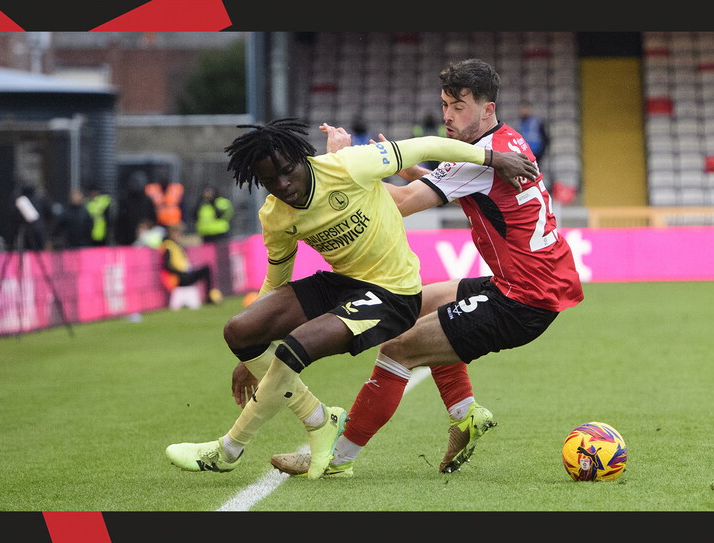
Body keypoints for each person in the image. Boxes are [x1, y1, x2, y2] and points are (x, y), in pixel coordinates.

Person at [164, 117, 538, 480]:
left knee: (296, 347)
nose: (282, 185)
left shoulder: (350, 165)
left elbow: (427, 144)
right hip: (345, 283)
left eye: (287, 172)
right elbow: (277, 280)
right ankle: (320, 419)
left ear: (303, 158)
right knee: (240, 330)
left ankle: (229, 448)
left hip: (393, 292)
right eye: (269, 181)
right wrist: (255, 343)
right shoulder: (276, 215)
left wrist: (494, 158)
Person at [267, 58, 584, 479]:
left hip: (522, 299)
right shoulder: (506, 142)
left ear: (487, 109)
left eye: (459, 107)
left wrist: (344, 167)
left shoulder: (477, 161)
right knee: (414, 304)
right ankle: (466, 414)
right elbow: (455, 182)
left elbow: (398, 205)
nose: (448, 115)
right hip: (527, 282)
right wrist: (407, 168)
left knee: (398, 347)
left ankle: (337, 459)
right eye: (445, 105)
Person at [159, 221, 223, 304]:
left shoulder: (175, 245)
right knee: (206, 270)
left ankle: (210, 294)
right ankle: (209, 296)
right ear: (172, 233)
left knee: (205, 269)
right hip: (178, 278)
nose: (179, 236)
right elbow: (167, 266)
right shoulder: (168, 247)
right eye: (178, 233)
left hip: (183, 274)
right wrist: (181, 273)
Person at [115, 171, 157, 246]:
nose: (137, 185)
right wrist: (119, 238)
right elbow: (120, 220)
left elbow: (152, 219)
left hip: (143, 238)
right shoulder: (125, 199)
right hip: (126, 238)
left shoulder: (147, 201)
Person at [517, 100, 550, 167]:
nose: (524, 111)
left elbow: (545, 137)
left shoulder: (537, 122)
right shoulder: (519, 124)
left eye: (525, 109)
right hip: (525, 153)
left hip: (537, 152)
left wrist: (542, 151)